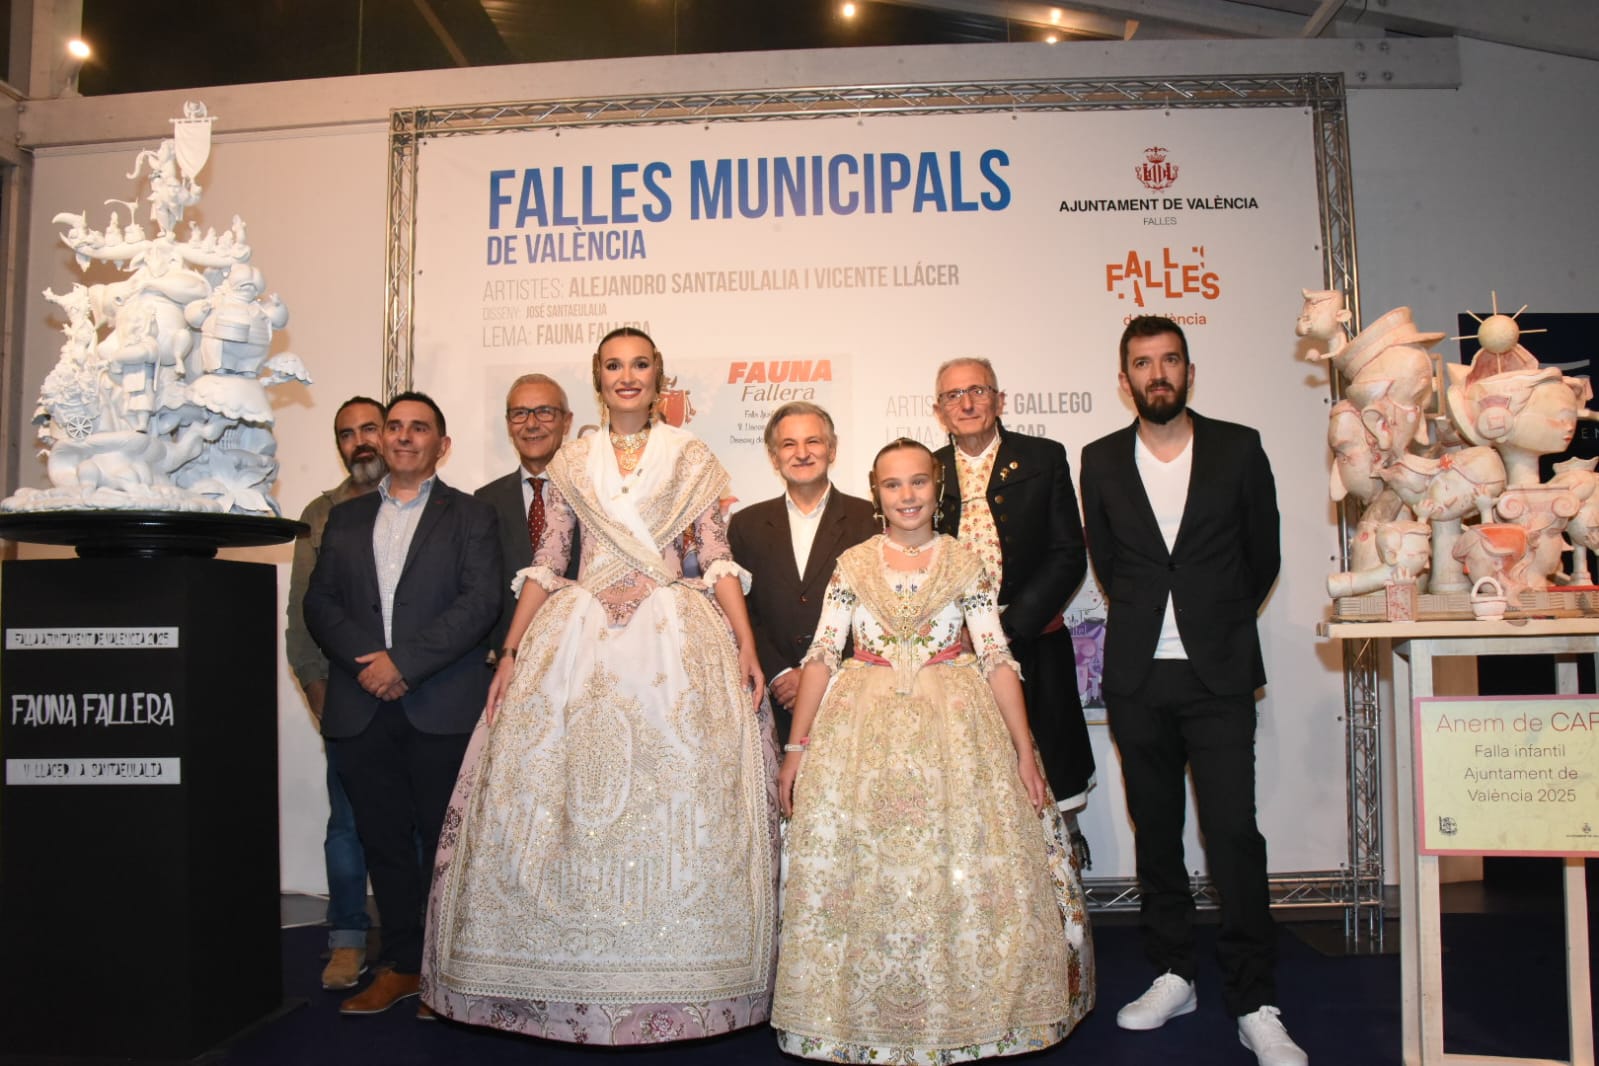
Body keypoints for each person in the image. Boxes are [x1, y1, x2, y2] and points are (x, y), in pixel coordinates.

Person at [422, 327, 777, 1044]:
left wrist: (744, 642)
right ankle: (563, 983)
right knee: (562, 800)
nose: (627, 376)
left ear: (658, 376)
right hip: (577, 639)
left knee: (674, 796)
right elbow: (550, 559)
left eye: (640, 364)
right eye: (614, 365)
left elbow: (714, 556)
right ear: (598, 379)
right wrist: (513, 651)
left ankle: (682, 975)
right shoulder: (572, 461)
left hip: (671, 639)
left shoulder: (692, 456)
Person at [771, 437, 1093, 1061]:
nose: (907, 495)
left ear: (938, 488)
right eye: (893, 484)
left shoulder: (964, 562)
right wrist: (796, 746)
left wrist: (1023, 752)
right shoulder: (852, 564)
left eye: (919, 481)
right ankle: (856, 1016)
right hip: (861, 738)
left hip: (958, 730)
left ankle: (979, 1012)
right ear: (877, 493)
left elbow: (996, 657)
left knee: (961, 864)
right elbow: (821, 655)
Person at [1079, 315, 1304, 1066]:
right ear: (1126, 381)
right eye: (1143, 363)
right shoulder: (1099, 459)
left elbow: (1263, 553)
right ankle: (1173, 973)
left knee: (1233, 835)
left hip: (1219, 674)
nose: (1158, 374)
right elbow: (1110, 563)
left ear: (1188, 370)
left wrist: (1216, 619)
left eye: (1169, 359)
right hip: (1139, 675)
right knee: (1157, 833)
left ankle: (1253, 999)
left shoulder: (1239, 447)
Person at [304, 391, 502, 1017]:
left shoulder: (471, 516)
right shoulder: (345, 517)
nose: (404, 436)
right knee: (383, 844)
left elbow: (480, 602)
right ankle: (402, 966)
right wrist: (369, 665)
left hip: (440, 705)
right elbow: (319, 604)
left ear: (442, 444)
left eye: (419, 428)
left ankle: (448, 975)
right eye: (394, 427)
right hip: (363, 707)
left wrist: (404, 665)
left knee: (446, 847)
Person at [932, 358, 1097, 850]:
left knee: (1050, 778)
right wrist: (955, 632)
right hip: (953, 657)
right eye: (953, 395)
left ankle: (1064, 884)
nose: (967, 404)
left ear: (1000, 399)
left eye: (978, 391)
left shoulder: (1043, 457)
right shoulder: (926, 470)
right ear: (939, 410)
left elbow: (1068, 554)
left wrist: (1007, 630)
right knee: (967, 787)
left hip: (1034, 643)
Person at [285, 395, 385, 991]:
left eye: (370, 428)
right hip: (345, 698)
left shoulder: (424, 504)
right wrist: (316, 690)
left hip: (415, 691)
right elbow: (302, 615)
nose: (361, 441)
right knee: (347, 824)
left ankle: (415, 938)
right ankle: (347, 938)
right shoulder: (319, 515)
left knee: (420, 827)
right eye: (348, 433)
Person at [727, 401, 877, 743]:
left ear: (832, 449)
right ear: (773, 456)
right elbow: (742, 611)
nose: (802, 453)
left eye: (813, 441)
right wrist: (779, 672)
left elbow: (877, 610)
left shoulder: (870, 520)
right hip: (772, 699)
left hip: (851, 696)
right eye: (788, 444)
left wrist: (819, 676)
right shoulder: (745, 525)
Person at [475, 373, 579, 660]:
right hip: (506, 661)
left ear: (567, 421)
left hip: (579, 655)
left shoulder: (593, 494)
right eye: (520, 413)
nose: (531, 424)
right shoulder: (484, 501)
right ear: (509, 424)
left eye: (544, 411)